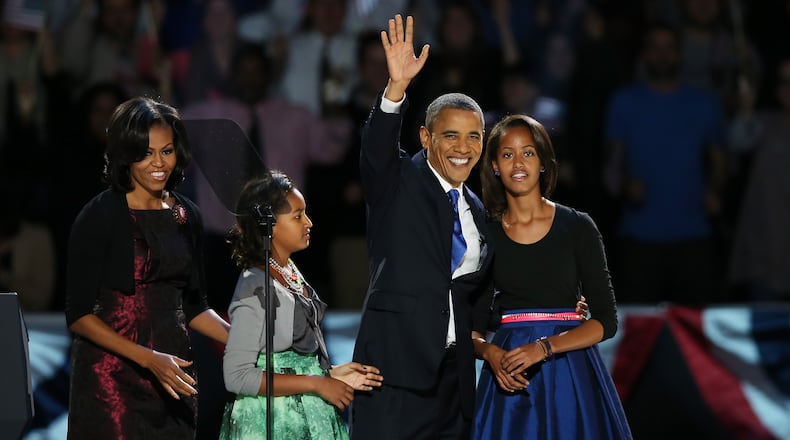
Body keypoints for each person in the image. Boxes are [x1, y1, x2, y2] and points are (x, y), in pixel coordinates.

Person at [350, 15, 494, 439]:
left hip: (454, 383)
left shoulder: (478, 212)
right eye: (450, 135)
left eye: (474, 136)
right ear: (426, 138)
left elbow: (476, 296)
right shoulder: (398, 182)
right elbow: (376, 150)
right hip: (393, 375)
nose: (463, 148)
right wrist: (396, 88)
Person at [64, 96, 230, 439]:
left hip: (174, 371)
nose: (159, 163)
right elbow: (79, 315)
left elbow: (195, 306)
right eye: (146, 152)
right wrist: (148, 358)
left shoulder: (187, 215)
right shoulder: (99, 215)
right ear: (125, 155)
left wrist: (244, 340)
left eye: (166, 151)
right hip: (111, 376)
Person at [471, 114, 632, 439]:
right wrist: (491, 354)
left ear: (543, 162)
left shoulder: (578, 227)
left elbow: (606, 320)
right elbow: (471, 327)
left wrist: (543, 347)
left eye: (528, 152)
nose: (518, 163)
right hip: (509, 373)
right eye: (508, 154)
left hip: (569, 371)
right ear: (495, 166)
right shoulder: (484, 234)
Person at [219, 172, 383, 440]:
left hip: (305, 411)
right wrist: (316, 383)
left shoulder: (288, 270)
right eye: (297, 216)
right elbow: (237, 376)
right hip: (275, 421)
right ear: (269, 225)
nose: (309, 222)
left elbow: (289, 360)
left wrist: (330, 374)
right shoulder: (255, 285)